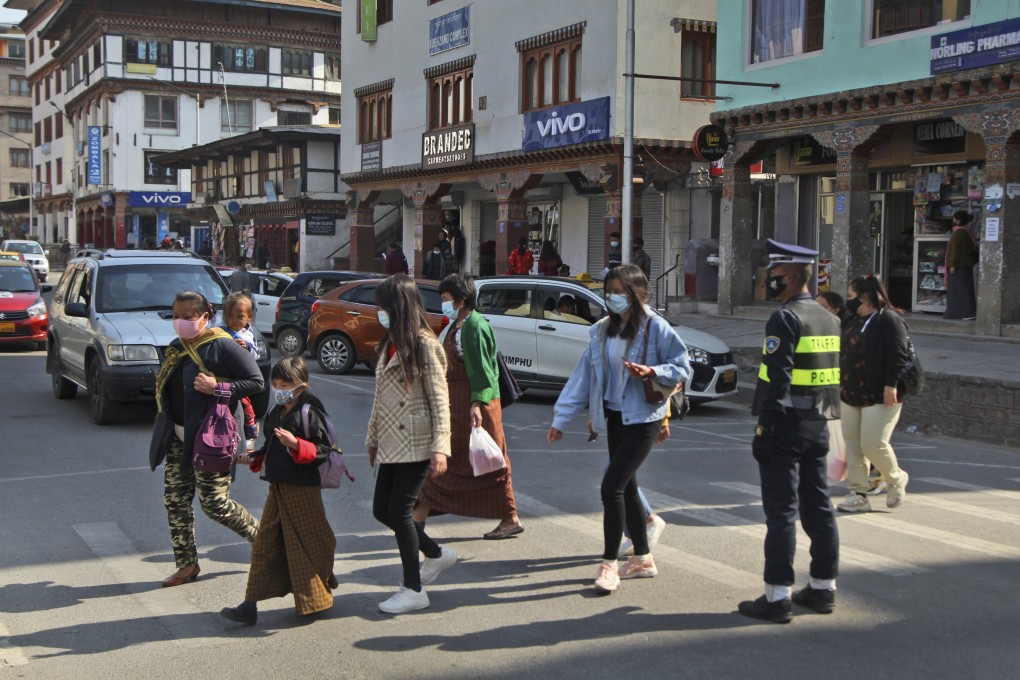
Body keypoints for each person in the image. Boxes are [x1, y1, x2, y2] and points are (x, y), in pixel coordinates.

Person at [548, 264, 690, 593]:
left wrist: (652, 370)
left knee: (611, 488)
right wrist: (560, 418)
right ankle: (642, 559)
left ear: (637, 293)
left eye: (619, 291)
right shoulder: (602, 330)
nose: (611, 297)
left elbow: (682, 367)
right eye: (608, 290)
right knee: (626, 488)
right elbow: (583, 377)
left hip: (645, 418)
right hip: (614, 416)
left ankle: (609, 564)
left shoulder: (656, 327)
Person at [738, 239, 840, 624]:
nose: (769, 282)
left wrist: (764, 428)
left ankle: (777, 596)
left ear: (795, 276)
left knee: (781, 512)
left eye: (775, 277)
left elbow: (776, 378)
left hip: (785, 424)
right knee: (819, 508)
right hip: (818, 424)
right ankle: (822, 587)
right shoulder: (829, 316)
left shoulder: (785, 318)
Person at [150, 291, 263, 588]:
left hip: (213, 439)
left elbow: (256, 382)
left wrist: (218, 387)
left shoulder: (223, 346)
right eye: (176, 316)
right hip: (178, 438)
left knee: (214, 504)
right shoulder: (177, 347)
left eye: (187, 317)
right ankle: (187, 564)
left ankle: (265, 540)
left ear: (205, 315)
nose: (180, 322)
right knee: (175, 501)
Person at [220, 357, 337, 626]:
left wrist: (296, 443)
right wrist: (253, 457)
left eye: (285, 384)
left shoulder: (310, 412)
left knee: (310, 543)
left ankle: (315, 598)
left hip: (303, 490)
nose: (279, 389)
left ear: (300, 386)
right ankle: (249, 605)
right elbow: (270, 446)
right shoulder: (276, 410)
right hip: (278, 487)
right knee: (264, 544)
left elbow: (323, 451)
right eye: (275, 384)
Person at [366, 274, 454, 614]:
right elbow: (379, 399)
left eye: (382, 306)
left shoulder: (425, 344)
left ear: (397, 307)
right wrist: (372, 438)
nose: (378, 312)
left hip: (416, 440)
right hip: (390, 440)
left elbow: (440, 399)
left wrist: (440, 447)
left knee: (401, 514)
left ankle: (413, 588)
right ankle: (435, 553)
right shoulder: (391, 342)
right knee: (381, 510)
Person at [415, 274, 523, 540]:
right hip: (457, 407)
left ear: (461, 300)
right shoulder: (457, 324)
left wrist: (477, 403)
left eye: (446, 299)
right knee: (447, 462)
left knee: (490, 465)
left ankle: (510, 517)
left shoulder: (475, 326)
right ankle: (419, 513)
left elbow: (485, 372)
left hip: (476, 407)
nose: (443, 304)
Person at [836, 274, 911, 514]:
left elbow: (898, 354)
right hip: (850, 391)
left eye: (851, 296)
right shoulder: (851, 319)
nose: (848, 301)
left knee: (873, 444)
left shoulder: (887, 319)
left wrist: (891, 385)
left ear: (865, 297)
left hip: (879, 393)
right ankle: (858, 493)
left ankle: (896, 478)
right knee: (852, 445)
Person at [220, 293, 261, 456]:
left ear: (249, 317)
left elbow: (255, 355)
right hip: (225, 377)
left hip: (241, 379)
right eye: (229, 316)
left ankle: (250, 429)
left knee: (245, 406)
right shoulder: (221, 332)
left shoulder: (247, 335)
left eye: (240, 316)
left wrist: (246, 348)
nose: (234, 320)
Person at [944, 210, 977, 320]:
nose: (953, 221)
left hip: (958, 266)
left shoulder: (958, 233)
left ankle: (962, 313)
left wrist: (953, 265)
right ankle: (968, 312)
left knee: (958, 291)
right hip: (966, 265)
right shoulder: (968, 232)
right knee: (965, 289)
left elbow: (955, 251)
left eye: (954, 219)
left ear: (958, 220)